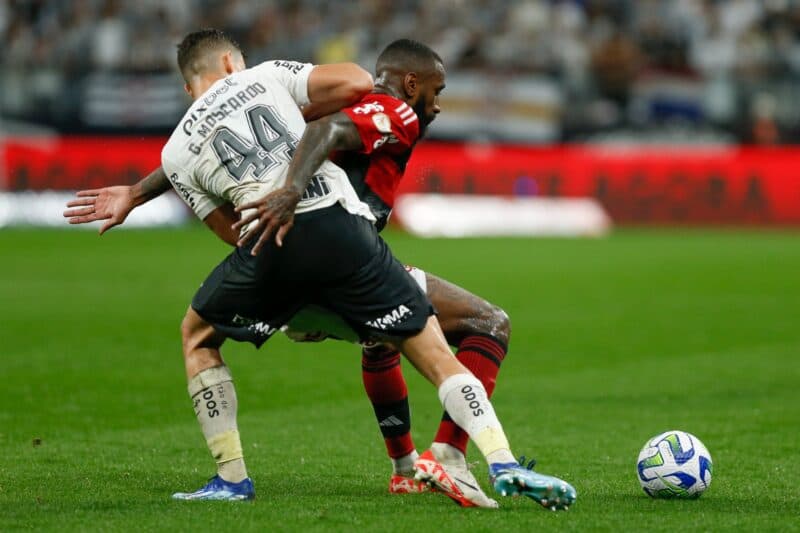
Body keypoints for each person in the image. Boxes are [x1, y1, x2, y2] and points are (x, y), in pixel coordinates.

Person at [65, 30, 576, 510]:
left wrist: (135, 191)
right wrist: (292, 171)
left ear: (185, 86)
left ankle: (242, 476)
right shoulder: (289, 85)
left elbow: (231, 230)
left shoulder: (175, 150)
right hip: (344, 242)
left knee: (198, 335)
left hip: (274, 265)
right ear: (230, 63)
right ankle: (477, 458)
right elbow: (344, 96)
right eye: (437, 91)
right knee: (462, 336)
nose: (438, 104)